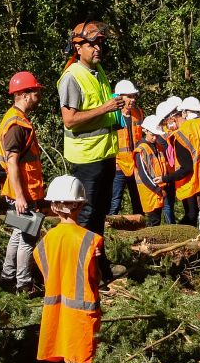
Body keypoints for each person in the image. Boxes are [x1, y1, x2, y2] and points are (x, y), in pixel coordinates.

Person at [58, 22, 123, 234]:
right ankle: (83, 263)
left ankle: (98, 262)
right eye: (92, 45)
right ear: (78, 48)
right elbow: (69, 120)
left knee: (100, 212)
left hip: (105, 155)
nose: (98, 49)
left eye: (100, 44)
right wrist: (105, 108)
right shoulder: (72, 77)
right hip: (87, 160)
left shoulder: (98, 70)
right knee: (86, 214)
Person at [32, 175, 104, 363]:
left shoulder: (46, 241)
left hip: (55, 318)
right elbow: (95, 278)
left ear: (54, 207)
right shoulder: (89, 240)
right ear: (80, 206)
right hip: (81, 321)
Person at [0, 71, 47, 293]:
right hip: (23, 193)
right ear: (25, 94)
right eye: (36, 91)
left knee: (19, 235)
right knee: (28, 239)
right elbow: (13, 162)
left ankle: (8, 278)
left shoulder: (17, 119)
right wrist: (19, 197)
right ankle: (24, 285)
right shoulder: (17, 125)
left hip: (22, 191)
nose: (38, 96)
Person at [175, 97, 200, 232]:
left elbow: (186, 164)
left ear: (185, 112)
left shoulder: (184, 129)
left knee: (198, 217)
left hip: (196, 178)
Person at [111, 80, 145, 219]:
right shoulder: (113, 115)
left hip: (136, 164)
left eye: (133, 96)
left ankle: (140, 230)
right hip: (119, 165)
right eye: (129, 96)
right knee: (115, 202)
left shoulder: (139, 113)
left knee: (139, 202)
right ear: (120, 97)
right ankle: (109, 230)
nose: (132, 100)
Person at [131, 116, 172, 226]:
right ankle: (148, 242)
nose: (155, 138)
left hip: (159, 189)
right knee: (153, 222)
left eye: (156, 135)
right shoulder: (141, 149)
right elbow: (144, 174)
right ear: (146, 131)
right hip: (150, 191)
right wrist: (157, 189)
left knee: (156, 220)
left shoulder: (158, 147)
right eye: (152, 135)